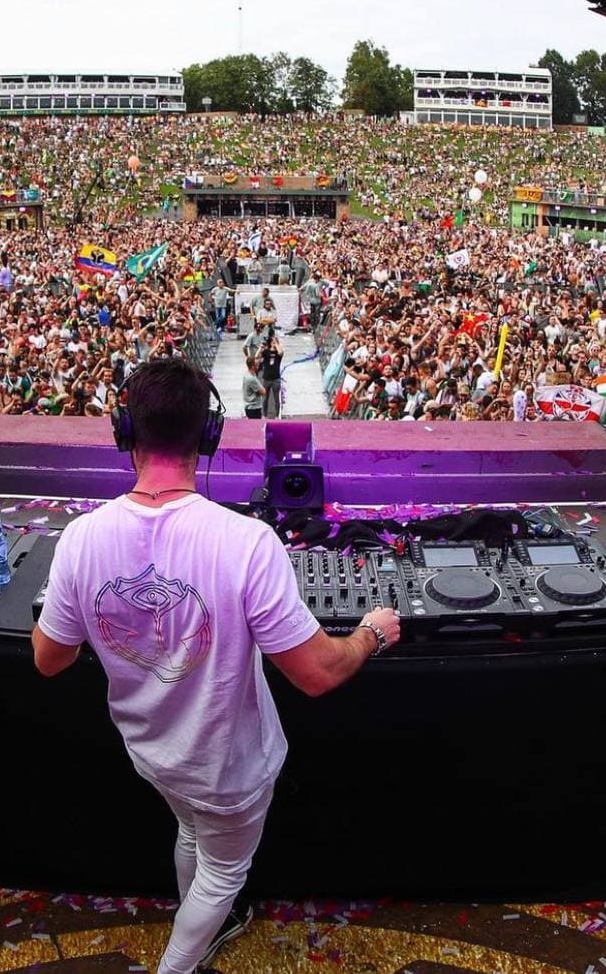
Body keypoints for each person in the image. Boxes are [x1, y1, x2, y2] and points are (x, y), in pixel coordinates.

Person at [31, 358, 400, 974]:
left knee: (191, 832)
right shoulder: (246, 543)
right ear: (209, 436)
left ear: (125, 431)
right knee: (224, 871)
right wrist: (371, 635)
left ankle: (199, 919)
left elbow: (49, 660)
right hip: (226, 769)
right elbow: (318, 674)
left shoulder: (80, 539)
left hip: (152, 753)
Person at [258, 329, 284, 419]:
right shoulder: (266, 352)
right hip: (266, 378)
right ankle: (264, 415)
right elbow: (257, 356)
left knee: (276, 398)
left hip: (276, 378)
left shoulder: (278, 353)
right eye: (272, 342)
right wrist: (260, 348)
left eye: (275, 342)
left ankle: (277, 415)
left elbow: (281, 352)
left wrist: (276, 344)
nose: (273, 343)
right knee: (265, 398)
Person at [242, 355, 265, 419]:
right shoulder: (251, 379)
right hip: (254, 408)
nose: (258, 366)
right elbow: (263, 392)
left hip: (249, 407)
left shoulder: (247, 374)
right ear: (252, 367)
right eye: (257, 365)